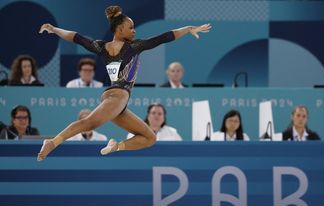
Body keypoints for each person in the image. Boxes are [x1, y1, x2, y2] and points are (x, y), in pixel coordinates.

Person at [37, 5, 211, 161]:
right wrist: (188, 29)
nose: (134, 31)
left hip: (119, 101)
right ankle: (52, 142)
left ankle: (117, 146)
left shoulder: (101, 46)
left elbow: (76, 38)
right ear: (119, 29)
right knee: (89, 123)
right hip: (117, 95)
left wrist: (55, 29)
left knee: (149, 138)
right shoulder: (134, 47)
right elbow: (165, 37)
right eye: (131, 27)